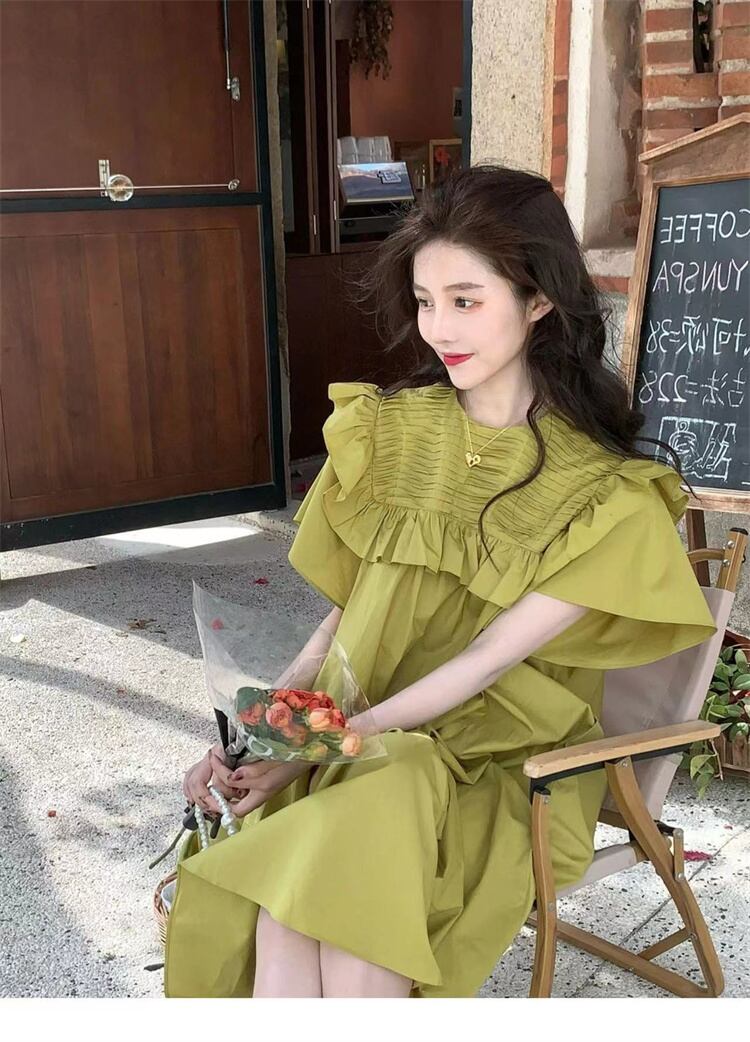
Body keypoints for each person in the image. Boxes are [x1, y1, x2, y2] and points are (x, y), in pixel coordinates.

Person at [164, 165, 717, 999]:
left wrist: (322, 748)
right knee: (305, 903)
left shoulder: (605, 495)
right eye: (425, 302)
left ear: (538, 300)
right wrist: (267, 737)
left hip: (497, 771)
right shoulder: (387, 431)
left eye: (466, 300)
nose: (439, 329)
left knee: (320, 883)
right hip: (359, 746)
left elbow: (483, 663)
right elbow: (347, 621)